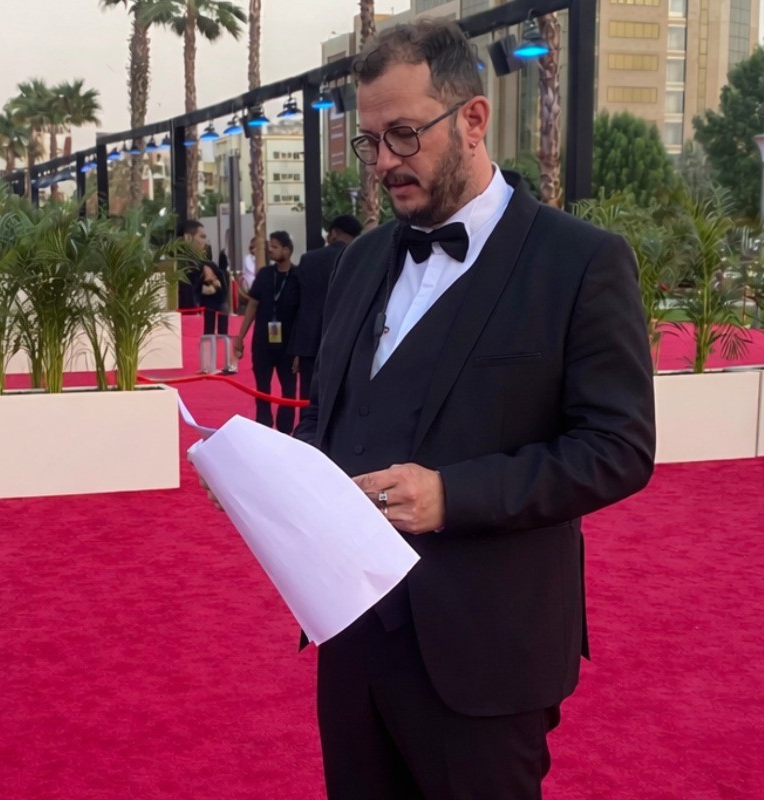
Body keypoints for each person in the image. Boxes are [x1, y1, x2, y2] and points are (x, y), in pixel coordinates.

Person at [290, 18, 657, 800]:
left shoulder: (580, 262)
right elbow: (330, 415)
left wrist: (452, 496)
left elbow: (618, 446)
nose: (384, 163)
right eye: (371, 142)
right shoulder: (360, 260)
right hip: (351, 634)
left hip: (487, 650)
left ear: (473, 119)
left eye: (404, 135)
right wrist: (271, 477)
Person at [288, 214, 363, 399]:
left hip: (310, 343)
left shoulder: (309, 259)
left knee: (309, 399)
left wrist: (297, 348)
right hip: (347, 342)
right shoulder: (361, 260)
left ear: (333, 233)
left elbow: (296, 303)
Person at [232, 231, 300, 434]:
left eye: (275, 247)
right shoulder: (264, 275)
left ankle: (285, 429)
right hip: (262, 342)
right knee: (262, 388)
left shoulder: (298, 276)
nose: (271, 250)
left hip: (288, 344)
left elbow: (302, 313)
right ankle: (264, 426)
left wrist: (300, 349)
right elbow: (252, 306)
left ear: (287, 250)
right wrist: (240, 337)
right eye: (270, 246)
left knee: (289, 389)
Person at [181, 219, 230, 339]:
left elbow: (222, 288)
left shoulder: (208, 264)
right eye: (201, 236)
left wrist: (214, 284)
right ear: (188, 237)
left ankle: (219, 335)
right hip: (189, 312)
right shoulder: (180, 264)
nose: (205, 241)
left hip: (211, 305)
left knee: (221, 306)